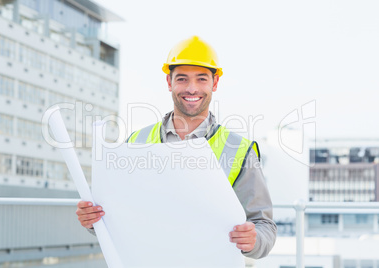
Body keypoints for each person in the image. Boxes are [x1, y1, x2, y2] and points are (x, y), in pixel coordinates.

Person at [76, 36, 277, 259]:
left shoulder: (240, 150)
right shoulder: (135, 142)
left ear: (215, 83)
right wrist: (92, 220)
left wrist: (253, 240)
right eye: (182, 79)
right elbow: (115, 214)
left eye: (201, 79)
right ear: (169, 82)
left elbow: (263, 225)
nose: (192, 89)